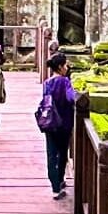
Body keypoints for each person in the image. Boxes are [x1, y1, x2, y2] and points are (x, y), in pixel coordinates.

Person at [35, 52, 77, 198]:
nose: (67, 67)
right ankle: (59, 181)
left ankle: (55, 186)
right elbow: (71, 98)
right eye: (65, 65)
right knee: (62, 153)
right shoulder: (65, 82)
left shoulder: (47, 83)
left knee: (51, 154)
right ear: (60, 67)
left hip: (50, 122)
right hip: (64, 123)